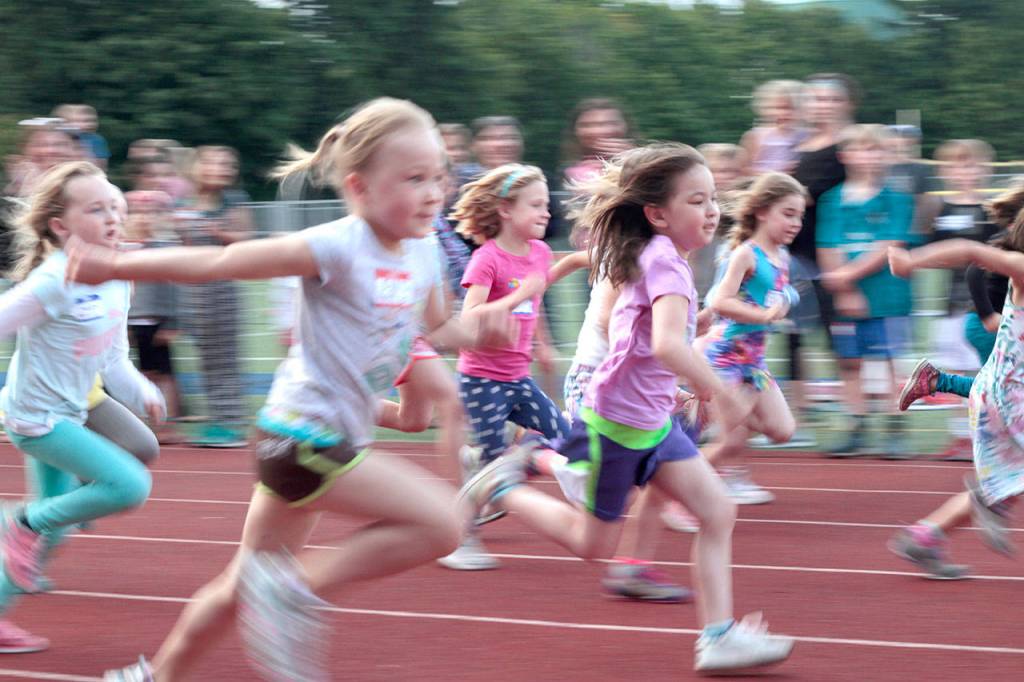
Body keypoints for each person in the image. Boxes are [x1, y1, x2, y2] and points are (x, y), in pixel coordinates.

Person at [82, 97, 516, 682]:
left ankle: (153, 676)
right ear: (360, 188)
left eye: (437, 175)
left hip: (325, 442)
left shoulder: (422, 252)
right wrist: (114, 266)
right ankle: (293, 589)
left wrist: (480, 328)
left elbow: (438, 327)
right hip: (300, 437)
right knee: (442, 523)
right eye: (413, 179)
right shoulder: (337, 245)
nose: (434, 191)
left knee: (243, 580)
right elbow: (226, 262)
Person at [460, 142, 794, 674]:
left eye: (714, 200)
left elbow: (641, 341)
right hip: (616, 426)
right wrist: (717, 389)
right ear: (658, 214)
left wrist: (680, 380)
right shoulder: (664, 262)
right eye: (697, 200)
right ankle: (502, 484)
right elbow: (665, 345)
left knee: (716, 510)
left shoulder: (661, 260)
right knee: (593, 545)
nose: (712, 211)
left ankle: (719, 636)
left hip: (653, 422)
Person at [0, 161, 163, 653]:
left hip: (68, 413)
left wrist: (143, 392)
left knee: (54, 531)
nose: (113, 216)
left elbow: (113, 361)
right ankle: (18, 522)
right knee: (129, 485)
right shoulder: (54, 280)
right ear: (60, 226)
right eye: (96, 208)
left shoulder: (118, 277)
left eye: (117, 205)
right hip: (35, 421)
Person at [437, 163, 569, 571]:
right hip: (482, 380)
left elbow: (536, 304)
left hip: (519, 377)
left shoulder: (541, 252)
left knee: (565, 437)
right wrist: (515, 298)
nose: (546, 212)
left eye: (547, 204)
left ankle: (481, 460)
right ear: (507, 210)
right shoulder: (487, 259)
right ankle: (463, 539)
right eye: (536, 205)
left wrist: (543, 345)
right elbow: (471, 316)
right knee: (498, 470)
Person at [887, 220, 1024, 580]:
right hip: (1009, 400)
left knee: (1002, 480)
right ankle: (989, 501)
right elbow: (970, 253)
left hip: (999, 394)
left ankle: (926, 536)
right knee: (1002, 483)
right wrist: (910, 262)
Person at [700, 172, 805, 502]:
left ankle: (708, 422)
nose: (796, 223)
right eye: (788, 214)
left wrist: (787, 300)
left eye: (799, 216)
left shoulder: (782, 256)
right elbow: (719, 300)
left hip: (754, 362)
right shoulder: (746, 254)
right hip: (725, 357)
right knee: (729, 441)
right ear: (762, 211)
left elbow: (778, 294)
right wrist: (763, 315)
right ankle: (672, 495)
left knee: (782, 430)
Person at [816, 124, 913, 457]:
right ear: (845, 155)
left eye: (876, 149)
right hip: (846, 296)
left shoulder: (897, 200)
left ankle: (893, 428)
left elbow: (890, 244)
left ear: (887, 155)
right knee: (850, 362)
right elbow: (827, 244)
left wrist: (846, 277)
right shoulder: (831, 200)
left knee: (887, 361)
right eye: (862, 148)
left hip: (887, 295)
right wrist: (843, 289)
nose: (870, 156)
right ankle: (855, 426)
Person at [923, 139, 999, 460]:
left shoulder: (992, 211)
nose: (964, 171)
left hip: (987, 307)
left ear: (983, 170)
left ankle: (989, 434)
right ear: (946, 171)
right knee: (957, 369)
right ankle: (960, 436)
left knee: (986, 371)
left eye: (970, 164)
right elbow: (930, 254)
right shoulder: (941, 211)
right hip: (952, 304)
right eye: (956, 165)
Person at [177, 146, 252, 447]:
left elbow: (246, 239)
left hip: (222, 286)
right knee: (206, 357)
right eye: (213, 162)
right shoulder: (188, 201)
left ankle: (232, 423)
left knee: (225, 357)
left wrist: (218, 232)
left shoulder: (233, 201)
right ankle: (217, 419)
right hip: (194, 286)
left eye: (226, 163)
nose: (220, 168)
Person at [561, 98, 634, 188]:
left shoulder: (645, 163)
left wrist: (634, 161)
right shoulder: (564, 172)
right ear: (575, 131)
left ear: (625, 127)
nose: (598, 131)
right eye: (587, 125)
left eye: (609, 123)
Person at [741, 80, 806, 175]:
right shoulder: (756, 136)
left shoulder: (805, 136)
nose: (786, 113)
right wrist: (775, 173)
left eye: (793, 108)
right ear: (766, 108)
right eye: (780, 108)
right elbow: (743, 170)